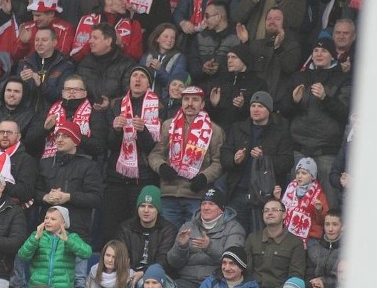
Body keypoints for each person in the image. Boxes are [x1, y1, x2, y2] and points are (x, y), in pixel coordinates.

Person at [35, 120, 102, 288]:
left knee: (78, 282)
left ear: (76, 140)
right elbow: (33, 192)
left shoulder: (88, 166)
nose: (59, 139)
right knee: (44, 280)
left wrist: (69, 197)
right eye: (57, 135)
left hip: (76, 232)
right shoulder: (45, 163)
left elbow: (96, 198)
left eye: (65, 136)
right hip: (48, 234)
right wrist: (45, 197)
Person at [283, 38, 351, 208]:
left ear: (332, 56)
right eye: (315, 51)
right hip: (299, 149)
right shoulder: (299, 76)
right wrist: (293, 101)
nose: (319, 54)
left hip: (327, 152)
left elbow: (346, 114)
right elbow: (283, 110)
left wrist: (325, 99)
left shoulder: (342, 78)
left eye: (324, 51)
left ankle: (328, 235)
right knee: (295, 205)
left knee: (329, 204)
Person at [148, 85, 225, 227]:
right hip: (169, 193)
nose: (190, 103)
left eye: (195, 100)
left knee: (192, 239)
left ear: (202, 104)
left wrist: (204, 177)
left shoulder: (214, 130)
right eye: (186, 99)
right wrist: (162, 167)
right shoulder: (168, 125)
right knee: (169, 240)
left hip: (196, 195)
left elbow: (218, 162)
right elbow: (155, 154)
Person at [220, 90, 294, 234]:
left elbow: (287, 162)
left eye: (260, 106)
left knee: (261, 236)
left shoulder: (280, 132)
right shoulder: (237, 128)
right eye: (253, 105)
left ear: (269, 110)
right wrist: (234, 159)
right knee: (234, 235)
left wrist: (265, 159)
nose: (255, 109)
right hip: (238, 192)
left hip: (264, 196)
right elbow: (224, 155)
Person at [103, 66, 162, 240]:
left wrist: (143, 131)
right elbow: (109, 144)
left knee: (136, 230)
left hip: (143, 177)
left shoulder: (159, 106)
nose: (137, 79)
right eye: (134, 75)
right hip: (117, 177)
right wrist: (116, 130)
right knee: (111, 228)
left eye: (142, 76)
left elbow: (155, 148)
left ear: (149, 83)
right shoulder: (116, 104)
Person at [167, 188, 246, 288]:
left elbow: (233, 261)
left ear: (221, 209)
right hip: (187, 281)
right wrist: (181, 246)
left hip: (217, 281)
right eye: (203, 204)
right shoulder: (188, 226)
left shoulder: (234, 227)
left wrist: (209, 247)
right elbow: (173, 263)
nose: (206, 207)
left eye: (211, 204)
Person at [17, 206, 92, 288]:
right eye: (46, 218)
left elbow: (87, 252)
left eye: (53, 219)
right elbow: (23, 255)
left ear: (63, 223)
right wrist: (35, 239)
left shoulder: (71, 237)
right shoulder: (37, 235)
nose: (48, 221)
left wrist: (68, 241)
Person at [245, 199, 306, 288]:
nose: (269, 213)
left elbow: (296, 276)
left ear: (284, 214)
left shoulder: (295, 243)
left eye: (274, 210)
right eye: (266, 211)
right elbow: (246, 271)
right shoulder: (252, 239)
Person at [115, 186, 178, 288]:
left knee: (143, 284)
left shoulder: (168, 230)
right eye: (142, 206)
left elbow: (163, 260)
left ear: (158, 210)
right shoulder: (126, 228)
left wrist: (143, 273)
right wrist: (130, 272)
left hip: (156, 275)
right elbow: (121, 255)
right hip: (129, 272)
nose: (146, 210)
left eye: (151, 207)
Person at [70, 0, 143, 63]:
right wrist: (95, 42)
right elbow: (76, 57)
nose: (126, 2)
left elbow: (136, 57)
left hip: (119, 71)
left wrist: (122, 45)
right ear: (108, 1)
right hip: (91, 69)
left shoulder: (133, 24)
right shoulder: (88, 20)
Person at [76, 23, 135, 112]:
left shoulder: (127, 64)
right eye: (91, 38)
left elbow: (131, 95)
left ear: (108, 41)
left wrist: (111, 103)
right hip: (86, 113)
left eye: (95, 38)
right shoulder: (85, 63)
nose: (90, 41)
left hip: (116, 115)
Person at [186, 1, 241, 92]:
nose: (204, 20)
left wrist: (219, 69)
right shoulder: (200, 37)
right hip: (200, 91)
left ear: (218, 17)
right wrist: (203, 69)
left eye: (207, 16)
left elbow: (240, 68)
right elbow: (191, 65)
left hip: (225, 92)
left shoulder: (236, 38)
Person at [139, 23, 187, 102]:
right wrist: (146, 71)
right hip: (144, 100)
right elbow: (138, 80)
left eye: (173, 38)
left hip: (166, 103)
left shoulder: (180, 57)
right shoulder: (147, 56)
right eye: (166, 36)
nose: (169, 40)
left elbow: (176, 84)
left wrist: (160, 70)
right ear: (157, 38)